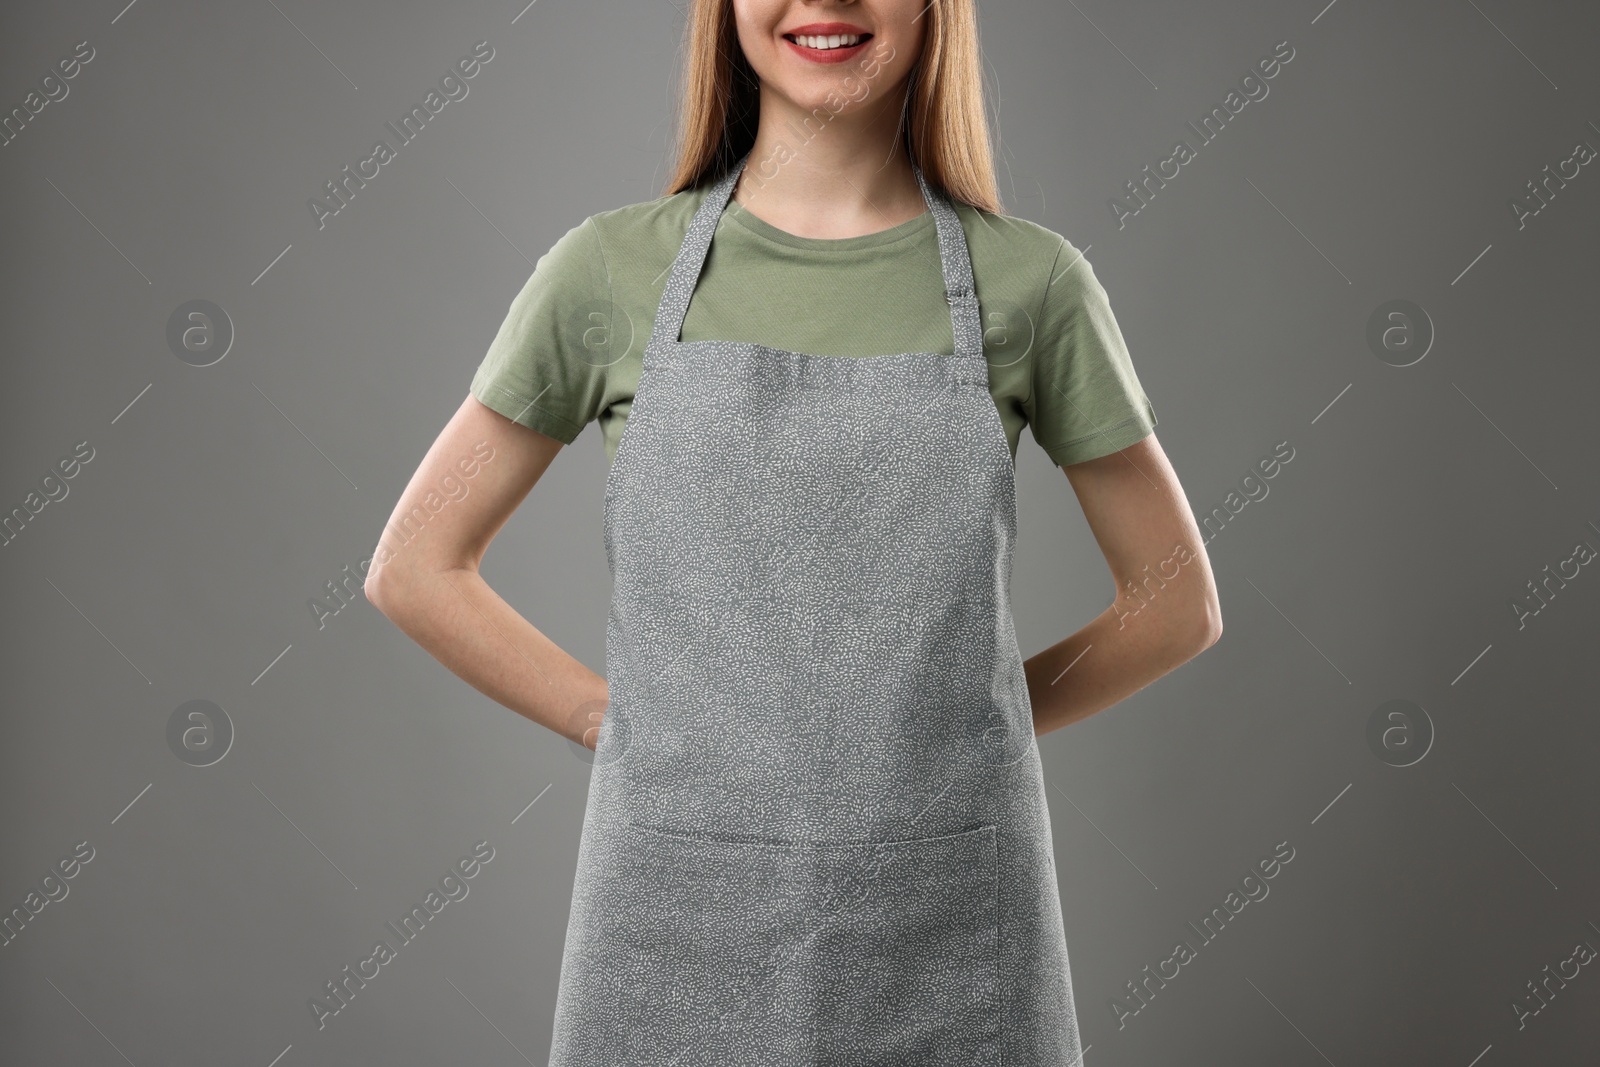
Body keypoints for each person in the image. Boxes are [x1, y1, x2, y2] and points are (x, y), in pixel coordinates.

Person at [365, 1, 1222, 1063]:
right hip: (672, 909)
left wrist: (956, 732)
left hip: (951, 921)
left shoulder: (1034, 287)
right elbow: (415, 565)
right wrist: (620, 724)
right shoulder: (606, 273)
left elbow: (1175, 599)